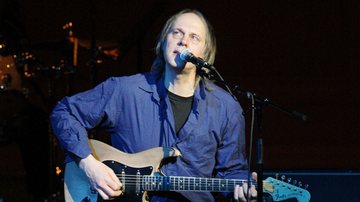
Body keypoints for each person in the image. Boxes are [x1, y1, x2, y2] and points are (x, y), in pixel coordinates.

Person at [51, 9, 257, 201]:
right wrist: (89, 165)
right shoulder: (125, 91)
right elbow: (64, 112)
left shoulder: (227, 108)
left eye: (194, 37)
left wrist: (244, 189)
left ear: (205, 53)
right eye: (176, 33)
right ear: (163, 41)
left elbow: (232, 171)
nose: (183, 41)